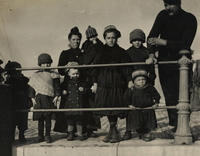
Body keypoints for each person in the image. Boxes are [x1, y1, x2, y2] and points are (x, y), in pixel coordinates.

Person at [147, 0, 197, 131]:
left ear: (178, 4)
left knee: (183, 96)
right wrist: (151, 54)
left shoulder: (190, 18)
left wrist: (163, 42)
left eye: (170, 5)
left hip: (182, 63)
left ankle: (183, 127)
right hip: (165, 63)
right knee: (169, 96)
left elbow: (185, 44)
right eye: (165, 5)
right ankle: (173, 127)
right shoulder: (162, 15)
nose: (167, 8)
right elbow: (151, 37)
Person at [55, 26, 98, 137]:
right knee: (69, 107)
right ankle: (68, 130)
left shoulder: (84, 52)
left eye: (78, 39)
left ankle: (88, 129)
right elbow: (60, 69)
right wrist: (68, 69)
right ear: (70, 40)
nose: (76, 42)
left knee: (86, 104)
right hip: (69, 83)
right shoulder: (65, 53)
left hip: (83, 81)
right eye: (73, 39)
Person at [92, 25, 132, 143]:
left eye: (113, 37)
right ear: (105, 38)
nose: (111, 40)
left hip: (117, 82)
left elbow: (127, 68)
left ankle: (113, 132)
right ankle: (113, 131)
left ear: (116, 38)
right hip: (104, 82)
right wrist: (95, 82)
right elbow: (95, 68)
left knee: (115, 105)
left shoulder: (121, 52)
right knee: (108, 106)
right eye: (108, 38)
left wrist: (129, 80)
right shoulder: (100, 52)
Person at [122, 29, 156, 140]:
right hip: (133, 84)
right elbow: (126, 68)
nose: (137, 42)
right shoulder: (127, 52)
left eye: (139, 40)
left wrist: (150, 83)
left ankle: (144, 132)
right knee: (131, 108)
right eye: (135, 40)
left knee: (145, 108)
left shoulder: (146, 52)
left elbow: (152, 71)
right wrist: (129, 80)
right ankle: (128, 130)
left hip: (144, 84)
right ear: (131, 41)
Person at [28, 53, 61, 143]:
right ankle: (40, 135)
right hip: (39, 99)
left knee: (48, 118)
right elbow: (32, 88)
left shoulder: (54, 74)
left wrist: (57, 96)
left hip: (49, 98)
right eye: (43, 63)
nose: (46, 65)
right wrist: (32, 98)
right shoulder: (36, 75)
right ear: (40, 64)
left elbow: (57, 86)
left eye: (48, 63)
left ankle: (47, 135)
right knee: (40, 118)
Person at [123, 70, 160, 141]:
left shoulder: (149, 87)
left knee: (148, 123)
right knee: (137, 123)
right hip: (136, 109)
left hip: (147, 109)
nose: (141, 81)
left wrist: (156, 103)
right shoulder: (131, 89)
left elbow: (156, 96)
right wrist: (130, 105)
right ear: (134, 81)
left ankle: (146, 134)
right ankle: (140, 133)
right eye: (138, 80)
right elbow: (126, 98)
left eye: (143, 79)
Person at [80, 25, 104, 136]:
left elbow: (100, 56)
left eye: (94, 36)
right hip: (86, 76)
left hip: (96, 75)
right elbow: (85, 58)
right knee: (85, 102)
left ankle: (93, 128)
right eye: (90, 37)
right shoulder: (85, 45)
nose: (93, 38)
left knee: (93, 102)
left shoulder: (99, 44)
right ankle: (84, 129)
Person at [61, 62, 91, 141]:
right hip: (70, 103)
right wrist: (63, 91)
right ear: (68, 74)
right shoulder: (66, 83)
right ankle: (70, 133)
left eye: (77, 73)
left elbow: (87, 89)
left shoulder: (82, 82)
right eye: (73, 74)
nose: (76, 76)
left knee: (79, 119)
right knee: (70, 119)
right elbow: (61, 88)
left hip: (79, 103)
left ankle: (80, 133)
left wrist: (83, 90)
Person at [4, 61, 30, 142]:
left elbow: (28, 91)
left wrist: (29, 101)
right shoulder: (9, 82)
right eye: (15, 72)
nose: (17, 74)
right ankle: (12, 136)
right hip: (12, 103)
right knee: (12, 121)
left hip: (22, 103)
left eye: (19, 71)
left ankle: (21, 135)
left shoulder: (25, 80)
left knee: (22, 120)